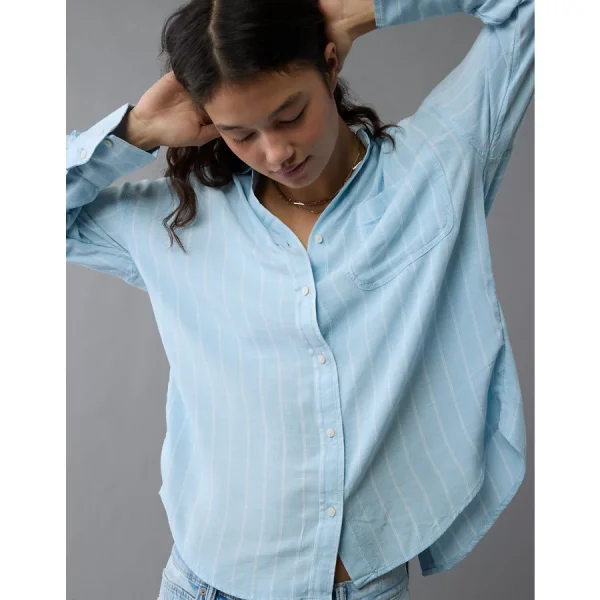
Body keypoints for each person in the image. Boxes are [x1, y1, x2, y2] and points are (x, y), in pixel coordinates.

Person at [66, 1, 534, 599]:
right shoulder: (176, 223)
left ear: (330, 67)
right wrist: (136, 132)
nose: (275, 152)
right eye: (240, 134)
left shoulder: (435, 167)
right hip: (209, 584)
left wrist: (363, 11)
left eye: (290, 115)